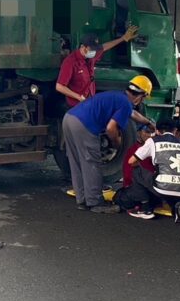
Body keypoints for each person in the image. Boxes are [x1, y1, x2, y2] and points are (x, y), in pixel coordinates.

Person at [63, 76, 151, 213]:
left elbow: (132, 113)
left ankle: (82, 200)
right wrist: (117, 143)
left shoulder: (118, 96)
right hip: (84, 124)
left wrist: (147, 122)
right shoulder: (126, 103)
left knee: (77, 162)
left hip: (69, 119)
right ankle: (95, 202)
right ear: (140, 96)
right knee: (92, 163)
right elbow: (111, 128)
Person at [115, 119, 180, 220]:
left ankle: (145, 208)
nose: (149, 135)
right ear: (175, 130)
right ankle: (178, 205)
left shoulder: (153, 142)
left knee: (137, 170)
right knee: (171, 188)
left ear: (157, 131)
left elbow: (131, 162)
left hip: (161, 186)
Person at [55, 25, 139, 108]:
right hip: (76, 106)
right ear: (83, 47)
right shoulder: (70, 62)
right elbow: (59, 86)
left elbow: (105, 47)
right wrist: (78, 97)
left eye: (95, 49)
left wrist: (123, 38)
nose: (94, 52)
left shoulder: (92, 54)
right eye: (92, 49)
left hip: (89, 102)